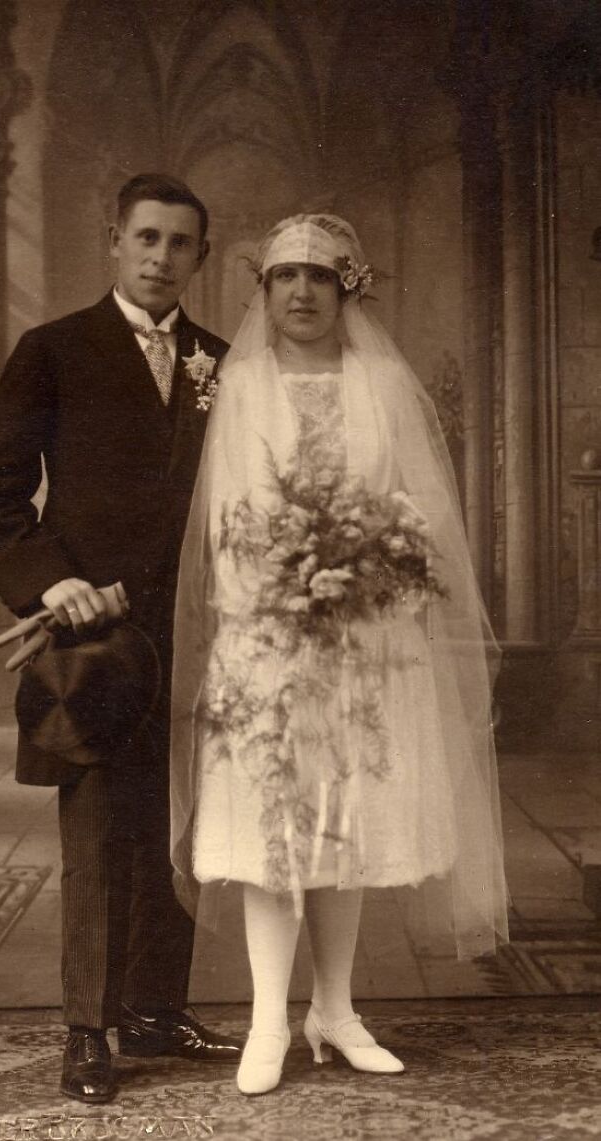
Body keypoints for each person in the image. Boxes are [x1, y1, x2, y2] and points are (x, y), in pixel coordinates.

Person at [170, 214, 509, 1095]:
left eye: (320, 277)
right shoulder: (240, 385)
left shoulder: (381, 382)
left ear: (347, 289)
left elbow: (414, 507)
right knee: (271, 828)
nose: (302, 293)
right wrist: (279, 585)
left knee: (344, 826)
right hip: (268, 635)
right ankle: (267, 1021)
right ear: (264, 292)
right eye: (284, 278)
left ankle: (337, 1008)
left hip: (366, 636)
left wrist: (370, 568)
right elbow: (223, 520)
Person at [0, 173, 241, 1105]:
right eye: (147, 237)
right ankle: (90, 1024)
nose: (161, 257)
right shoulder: (54, 351)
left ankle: (157, 1006)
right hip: (90, 641)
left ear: (201, 256)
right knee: (95, 829)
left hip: (198, 635)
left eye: (180, 243)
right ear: (113, 240)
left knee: (177, 826)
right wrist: (55, 582)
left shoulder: (224, 362)